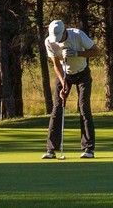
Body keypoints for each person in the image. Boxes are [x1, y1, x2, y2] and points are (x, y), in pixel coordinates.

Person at [43, 18, 101, 159]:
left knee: (83, 107)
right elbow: (56, 65)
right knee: (57, 108)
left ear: (64, 31)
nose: (57, 40)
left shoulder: (77, 35)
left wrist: (77, 54)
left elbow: (96, 51)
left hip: (82, 73)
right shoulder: (49, 41)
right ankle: (51, 150)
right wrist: (63, 84)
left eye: (60, 37)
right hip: (64, 75)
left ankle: (88, 149)